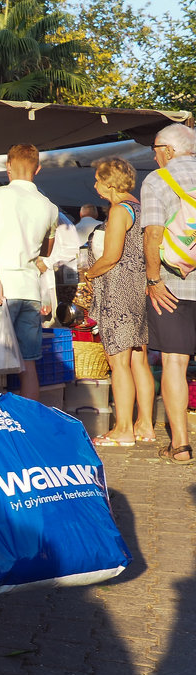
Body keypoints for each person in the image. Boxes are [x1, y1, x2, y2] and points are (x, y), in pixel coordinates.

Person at [81, 157, 154, 446]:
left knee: (118, 362)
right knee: (139, 360)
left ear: (110, 183)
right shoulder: (139, 207)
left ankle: (123, 428)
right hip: (139, 289)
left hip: (119, 291)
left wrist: (89, 273)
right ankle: (145, 425)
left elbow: (111, 256)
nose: (95, 184)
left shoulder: (119, 211)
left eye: (98, 179)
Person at [141, 123, 196, 464]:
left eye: (156, 147)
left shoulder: (158, 179)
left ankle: (181, 446)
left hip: (174, 285)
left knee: (175, 362)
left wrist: (153, 280)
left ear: (170, 149)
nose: (155, 153)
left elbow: (153, 234)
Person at [0, 144, 58, 402]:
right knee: (28, 363)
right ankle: (29, 420)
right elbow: (47, 250)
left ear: (7, 166)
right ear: (37, 169)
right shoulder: (49, 206)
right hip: (29, 290)